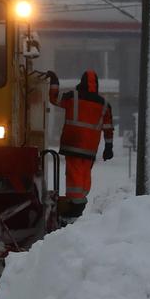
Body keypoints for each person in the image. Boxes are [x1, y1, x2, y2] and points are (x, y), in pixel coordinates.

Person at [47, 68, 115, 221]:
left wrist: (54, 81)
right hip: (90, 150)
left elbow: (54, 98)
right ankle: (78, 205)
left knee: (74, 179)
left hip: (73, 145)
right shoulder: (104, 104)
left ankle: (73, 210)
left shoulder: (73, 97)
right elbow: (108, 128)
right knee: (84, 178)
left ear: (81, 82)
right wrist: (108, 147)